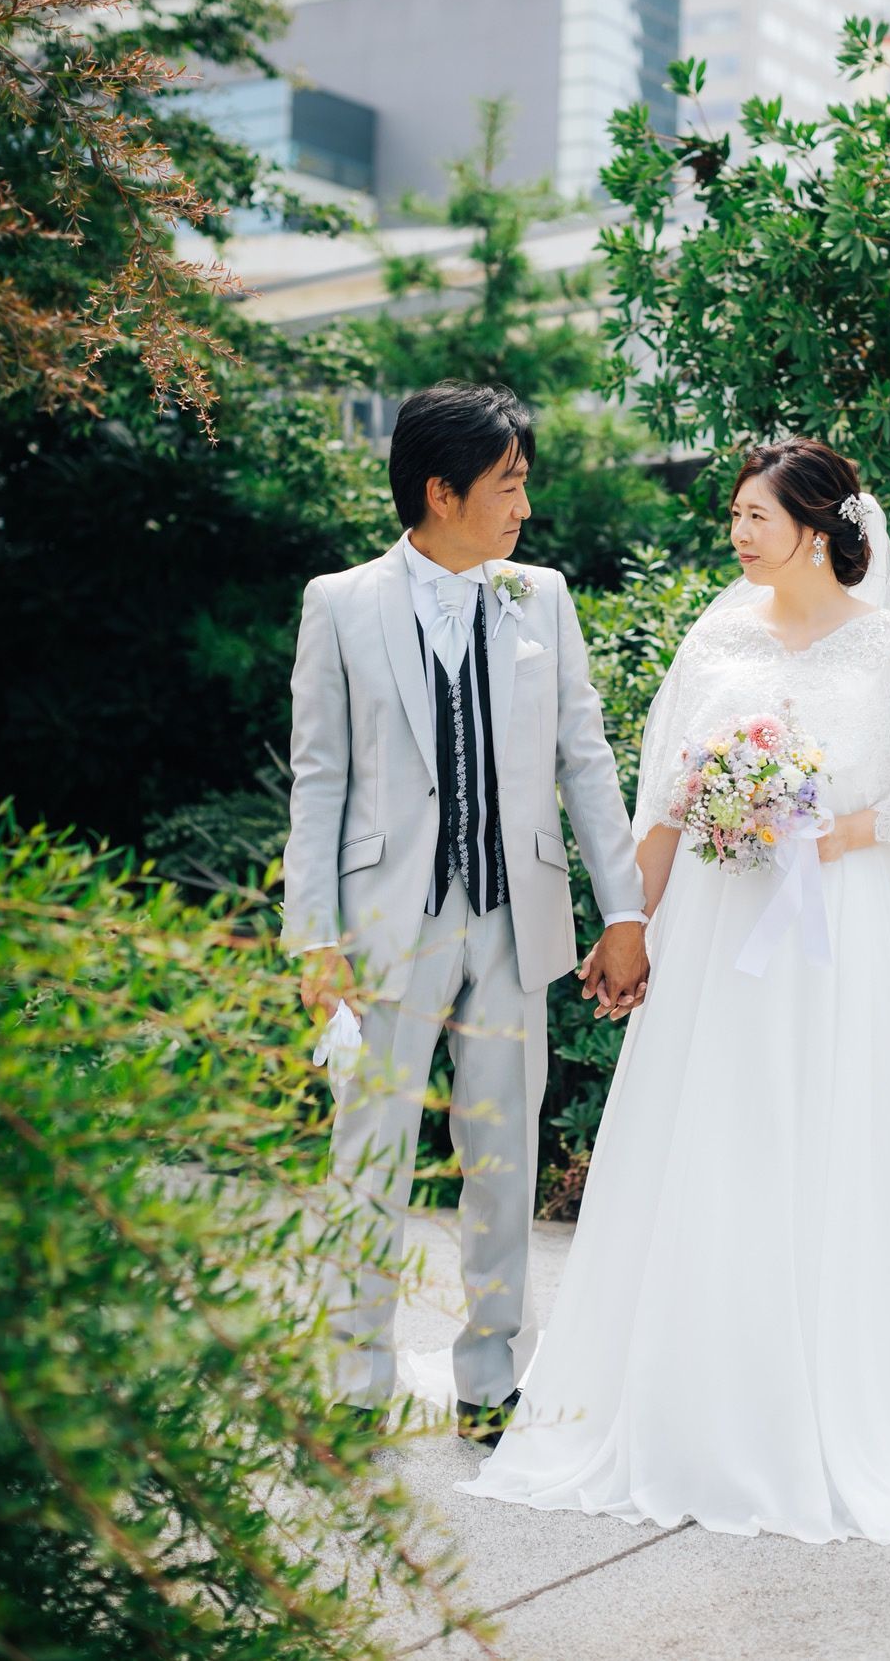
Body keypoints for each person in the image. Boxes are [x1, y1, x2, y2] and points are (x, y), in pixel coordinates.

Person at [454, 436, 890, 1542]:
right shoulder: (714, 635)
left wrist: (825, 825)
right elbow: (666, 801)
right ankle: (700, 1382)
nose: (736, 532)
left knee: (832, 1132)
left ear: (819, 526)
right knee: (714, 1133)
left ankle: (842, 1385)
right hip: (716, 921)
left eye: (756, 515)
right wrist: (628, 924)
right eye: (735, 514)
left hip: (840, 923)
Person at [280, 379, 649, 1438]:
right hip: (381, 926)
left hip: (511, 917)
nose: (523, 506)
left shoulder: (541, 596)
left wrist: (622, 911)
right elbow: (318, 782)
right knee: (370, 1156)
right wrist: (313, 939)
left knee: (502, 1155)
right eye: (508, 484)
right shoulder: (340, 603)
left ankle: (489, 1378)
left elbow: (583, 758)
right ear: (441, 492)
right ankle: (356, 1380)